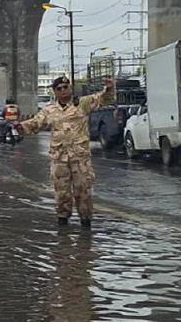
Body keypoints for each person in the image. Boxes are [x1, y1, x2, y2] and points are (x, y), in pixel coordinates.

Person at [15, 76, 115, 228]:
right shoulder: (50, 110)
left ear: (70, 88)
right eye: (59, 89)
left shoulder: (82, 104)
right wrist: (20, 127)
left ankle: (86, 221)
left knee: (83, 190)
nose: (63, 91)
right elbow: (36, 123)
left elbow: (103, 99)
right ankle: (63, 220)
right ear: (55, 92)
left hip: (80, 158)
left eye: (65, 87)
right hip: (59, 158)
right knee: (61, 192)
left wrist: (109, 88)